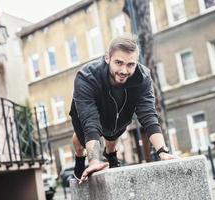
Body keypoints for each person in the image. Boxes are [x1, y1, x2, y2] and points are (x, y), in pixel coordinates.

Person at [69, 34, 174, 184]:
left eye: (130, 64)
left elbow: (148, 115)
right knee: (80, 141)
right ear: (107, 58)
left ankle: (111, 156)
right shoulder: (86, 76)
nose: (124, 70)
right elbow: (90, 122)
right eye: (119, 62)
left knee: (111, 137)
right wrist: (93, 162)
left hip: (118, 114)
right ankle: (79, 157)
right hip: (86, 116)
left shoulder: (143, 78)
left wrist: (162, 151)